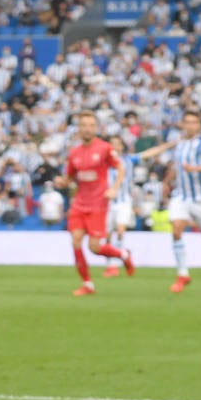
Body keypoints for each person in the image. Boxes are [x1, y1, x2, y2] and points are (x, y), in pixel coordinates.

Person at [139, 109, 201, 293]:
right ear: (182, 124)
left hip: (200, 199)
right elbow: (179, 168)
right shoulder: (180, 144)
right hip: (181, 196)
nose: (190, 125)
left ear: (199, 126)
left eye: (194, 122)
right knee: (176, 229)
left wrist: (197, 169)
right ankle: (183, 274)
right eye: (187, 122)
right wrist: (167, 182)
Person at [55, 110, 133, 297]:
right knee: (75, 240)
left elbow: (120, 168)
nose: (87, 129)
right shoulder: (74, 153)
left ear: (96, 128)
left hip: (98, 204)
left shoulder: (105, 149)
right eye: (84, 125)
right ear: (79, 128)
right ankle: (87, 284)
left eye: (91, 125)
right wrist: (62, 182)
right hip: (79, 204)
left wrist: (114, 188)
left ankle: (123, 255)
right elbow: (71, 178)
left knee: (95, 248)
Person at [102, 135, 138, 278]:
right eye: (112, 144)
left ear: (122, 146)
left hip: (123, 201)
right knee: (107, 236)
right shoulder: (103, 162)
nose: (115, 147)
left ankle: (113, 266)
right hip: (107, 203)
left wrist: (169, 144)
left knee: (120, 230)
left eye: (118, 144)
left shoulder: (128, 160)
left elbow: (149, 153)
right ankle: (119, 257)